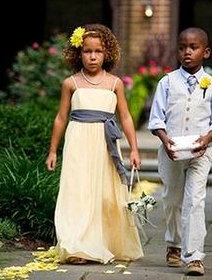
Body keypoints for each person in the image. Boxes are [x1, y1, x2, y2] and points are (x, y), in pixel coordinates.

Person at [45, 24, 143, 265]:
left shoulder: (115, 84)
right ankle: (77, 246)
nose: (92, 56)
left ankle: (103, 241)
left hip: (105, 144)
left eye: (97, 51)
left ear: (106, 53)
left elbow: (126, 117)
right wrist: (52, 150)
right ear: (79, 53)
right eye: (87, 51)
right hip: (78, 142)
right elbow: (61, 118)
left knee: (105, 193)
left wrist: (134, 148)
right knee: (77, 191)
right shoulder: (71, 84)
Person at [148, 27, 212, 276]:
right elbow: (156, 119)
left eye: (193, 47)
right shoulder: (167, 82)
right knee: (172, 200)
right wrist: (165, 140)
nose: (187, 52)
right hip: (171, 151)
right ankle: (174, 243)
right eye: (182, 47)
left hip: (200, 153)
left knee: (195, 201)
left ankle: (194, 257)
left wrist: (207, 139)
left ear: (206, 52)